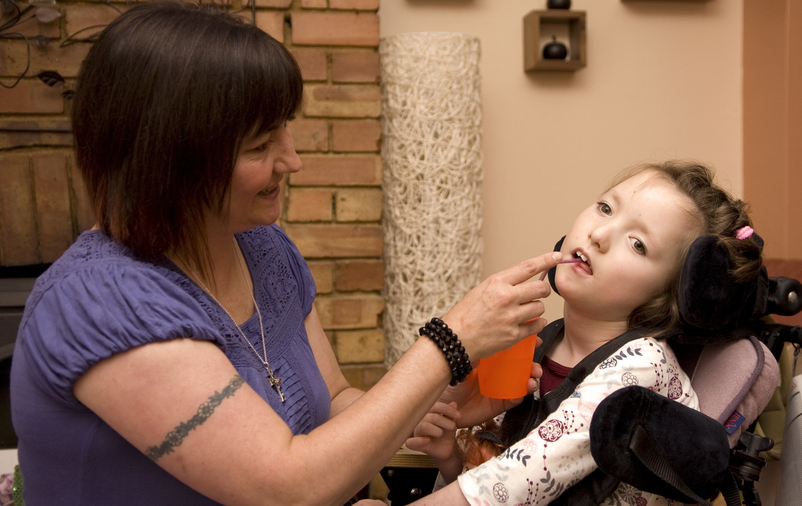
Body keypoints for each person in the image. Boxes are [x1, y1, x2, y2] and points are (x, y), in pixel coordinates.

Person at [9, 3, 562, 505]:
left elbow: (336, 400)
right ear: (169, 163)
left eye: (285, 131)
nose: (291, 159)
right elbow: (285, 489)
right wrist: (451, 341)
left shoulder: (262, 248)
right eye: (259, 145)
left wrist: (431, 405)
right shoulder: (101, 303)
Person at [403, 160, 762, 506]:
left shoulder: (643, 369)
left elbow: (512, 484)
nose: (600, 234)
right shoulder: (537, 343)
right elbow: (489, 481)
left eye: (638, 244)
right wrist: (450, 452)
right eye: (605, 208)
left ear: (668, 297)